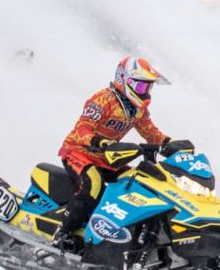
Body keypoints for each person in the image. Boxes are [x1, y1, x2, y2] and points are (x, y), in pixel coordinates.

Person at [54, 57, 184, 255]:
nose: (144, 91)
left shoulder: (138, 109)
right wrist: (99, 142)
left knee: (138, 182)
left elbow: (150, 132)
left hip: (108, 159)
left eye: (147, 87)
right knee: (93, 185)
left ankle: (120, 233)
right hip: (79, 152)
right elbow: (82, 128)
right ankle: (63, 233)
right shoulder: (104, 99)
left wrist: (169, 144)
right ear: (124, 79)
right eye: (140, 85)